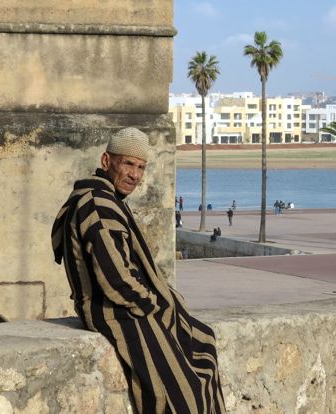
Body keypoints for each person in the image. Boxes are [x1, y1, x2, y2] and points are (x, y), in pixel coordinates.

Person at [51, 127, 225, 414]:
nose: (135, 175)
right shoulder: (98, 205)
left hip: (127, 307)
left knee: (202, 343)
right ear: (106, 161)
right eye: (128, 164)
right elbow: (115, 279)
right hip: (115, 312)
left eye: (141, 167)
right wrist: (154, 302)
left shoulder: (106, 198)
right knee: (183, 393)